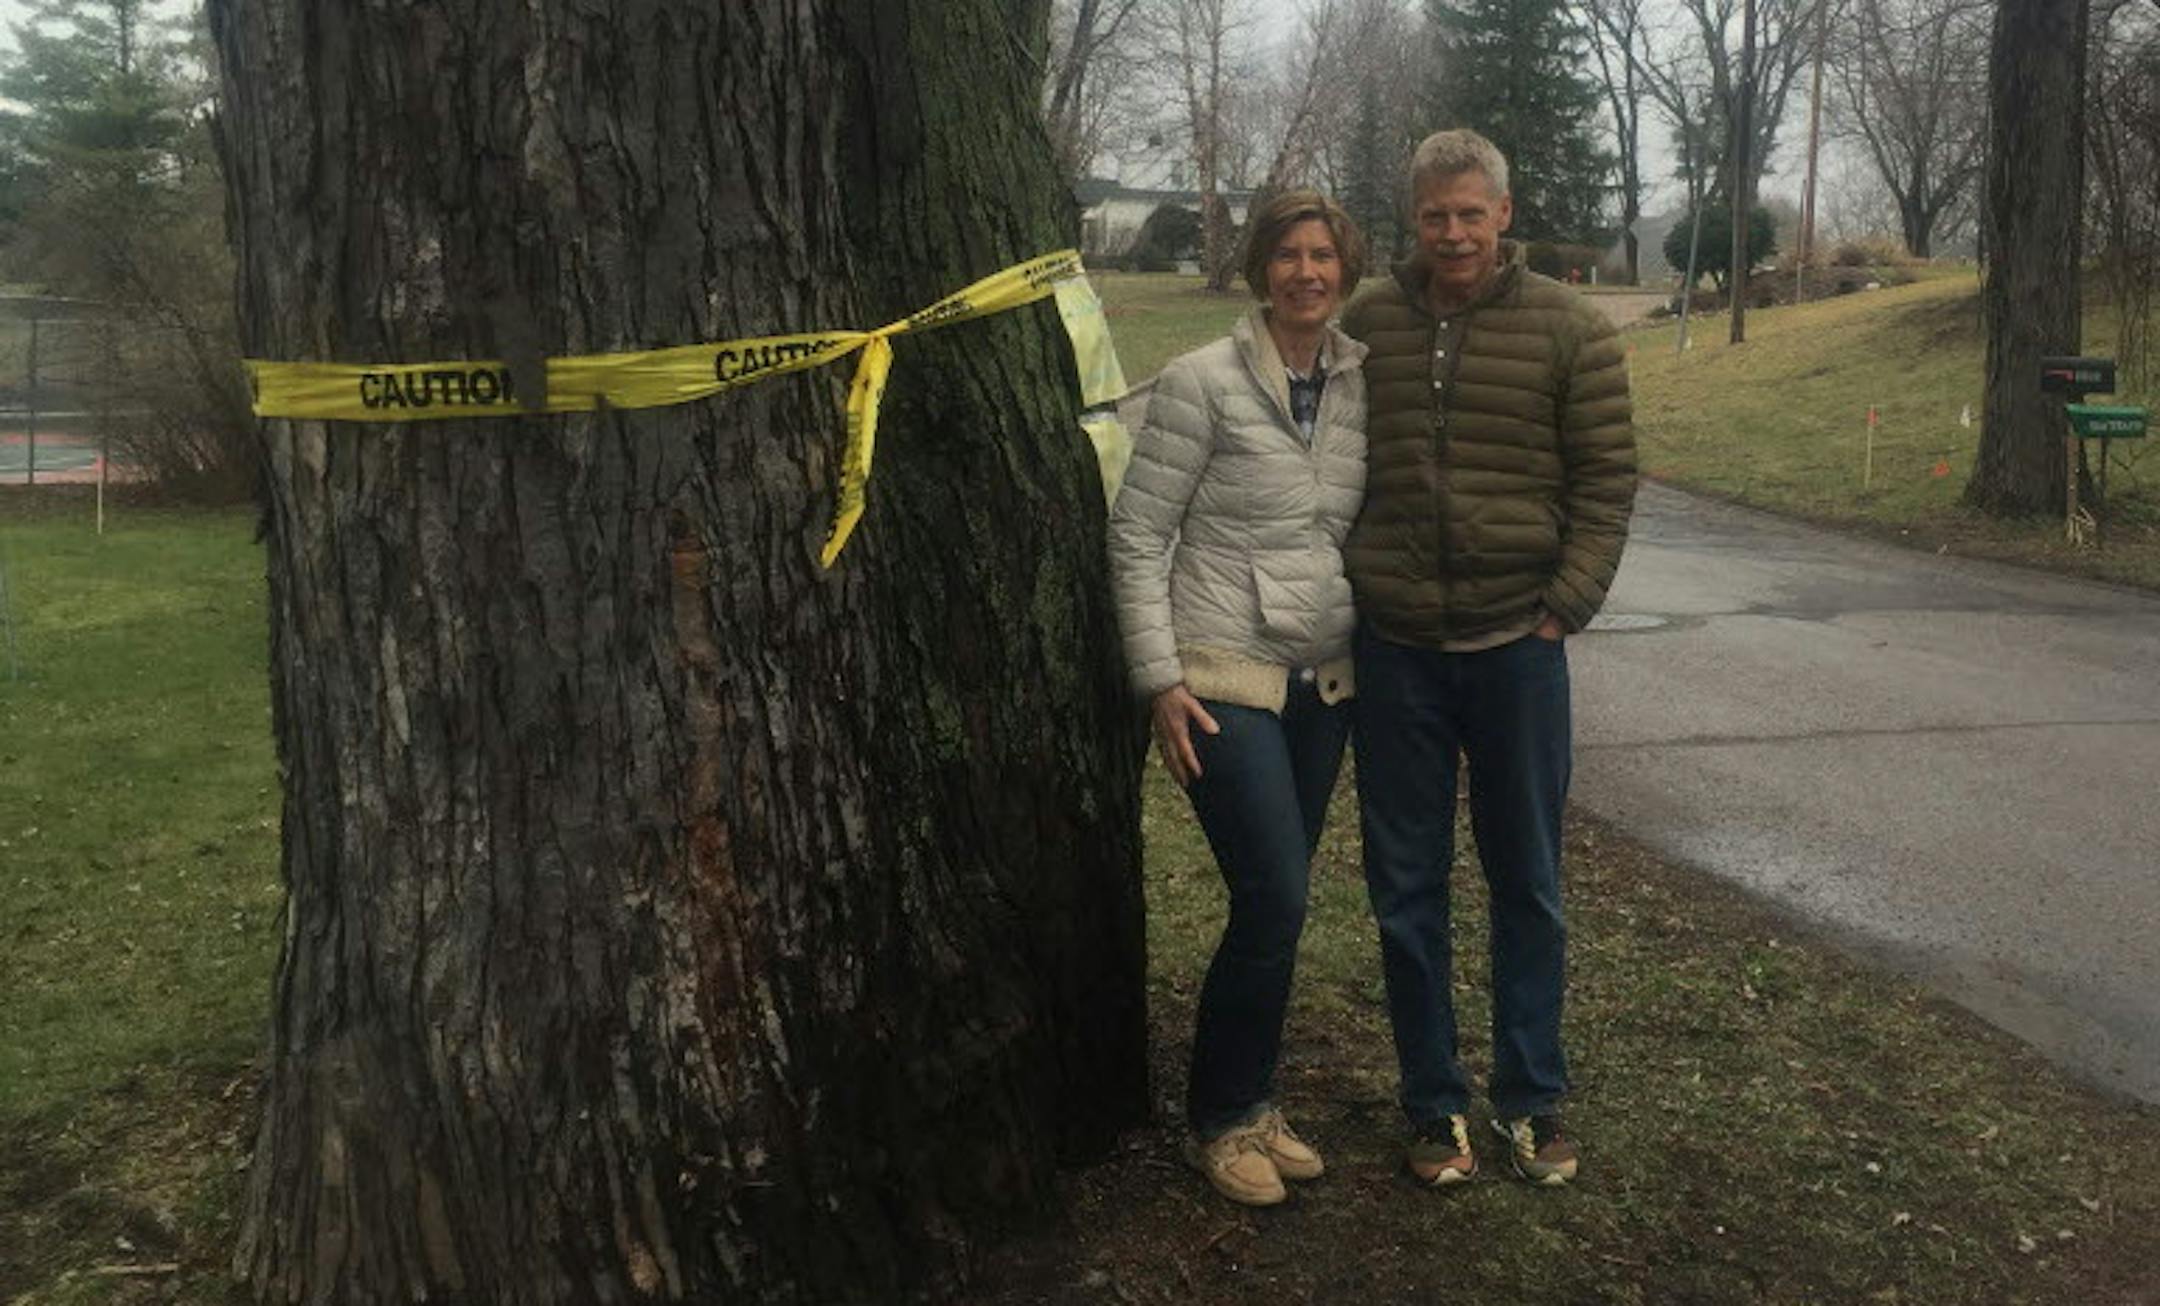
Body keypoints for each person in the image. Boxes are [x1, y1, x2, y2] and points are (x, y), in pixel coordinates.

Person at [1342, 129, 1635, 1188]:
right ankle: (1432, 1104)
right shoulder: (1365, 320)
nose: (1453, 233)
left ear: (1504, 214)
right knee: (1405, 886)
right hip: (1396, 653)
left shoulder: (1571, 327)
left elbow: (1607, 479)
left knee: (1528, 880)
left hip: (1519, 648)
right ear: (1411, 219)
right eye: (1434, 215)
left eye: (1471, 213)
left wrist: (1565, 607)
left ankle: (1530, 1096)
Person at [1107, 190, 1368, 1207]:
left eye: (1324, 255)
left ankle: (1256, 1100)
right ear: (1263, 268)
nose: (1308, 271)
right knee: (1276, 893)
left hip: (1323, 683)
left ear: (1344, 268)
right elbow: (1137, 535)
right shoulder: (1201, 382)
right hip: (1222, 677)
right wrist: (1159, 679)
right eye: (1289, 255)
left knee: (1279, 906)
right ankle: (1218, 1117)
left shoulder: (1355, 382)